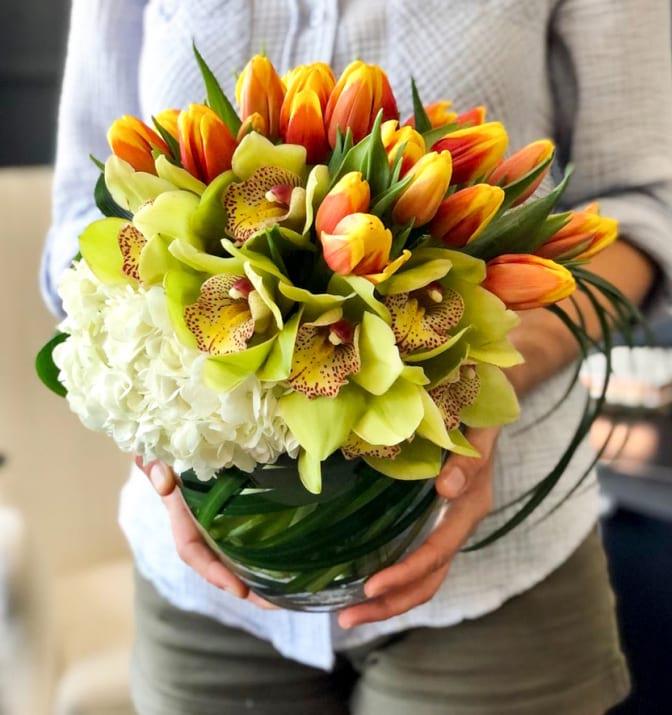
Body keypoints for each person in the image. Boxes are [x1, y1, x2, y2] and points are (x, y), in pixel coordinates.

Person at [41, 1, 672, 713]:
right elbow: (81, 226)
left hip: (496, 577)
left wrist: (479, 378)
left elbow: (644, 208)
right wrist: (159, 428)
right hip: (208, 598)